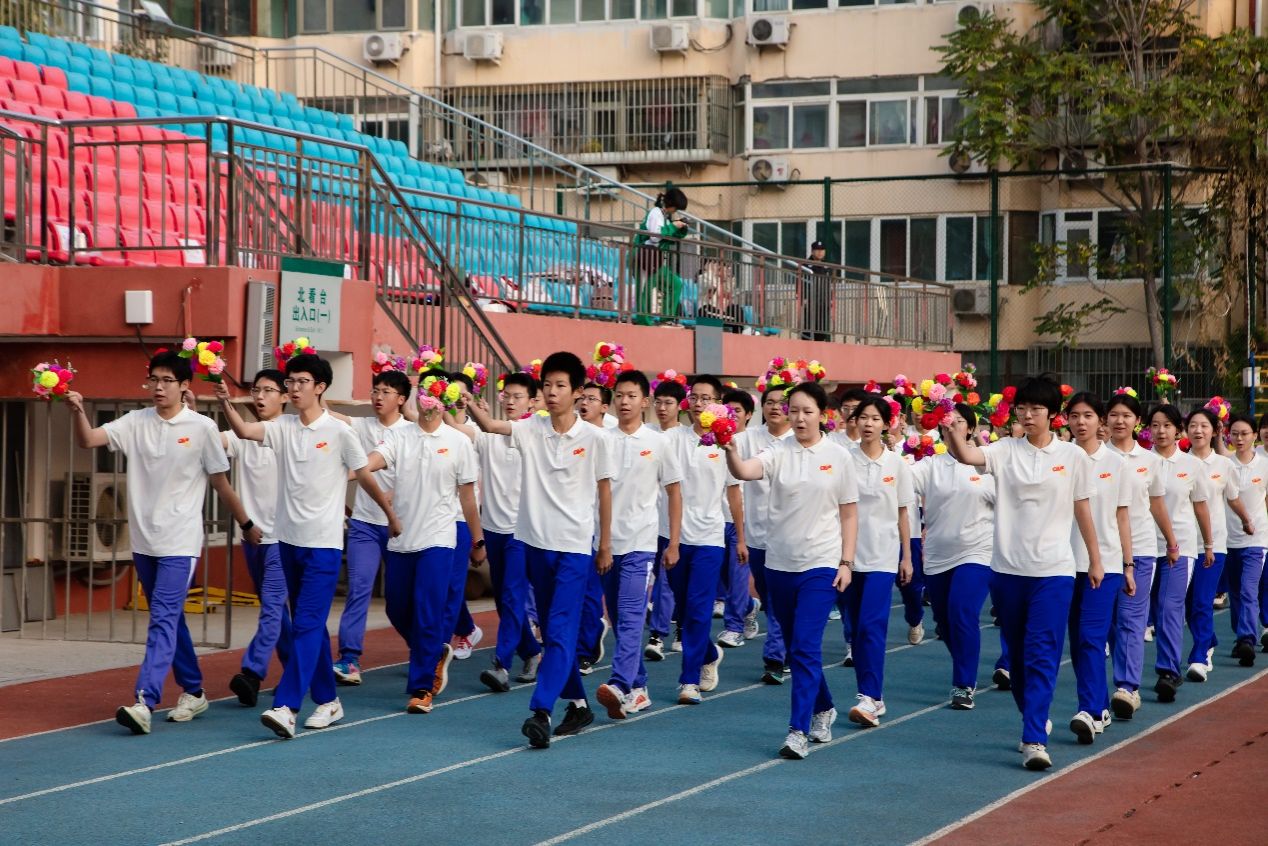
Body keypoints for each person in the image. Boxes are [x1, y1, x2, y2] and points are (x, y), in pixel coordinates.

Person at [69, 351, 260, 735]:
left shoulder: (202, 427)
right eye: (153, 379)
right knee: (170, 618)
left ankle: (145, 700)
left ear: (185, 385)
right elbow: (89, 439)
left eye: (167, 380)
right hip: (144, 542)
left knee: (161, 618)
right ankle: (194, 690)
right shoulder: (135, 421)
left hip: (180, 542)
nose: (158, 387)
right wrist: (76, 409)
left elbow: (220, 483)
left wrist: (246, 523)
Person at [216, 354, 400, 739]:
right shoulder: (282, 426)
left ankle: (287, 706)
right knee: (308, 626)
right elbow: (245, 431)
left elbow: (364, 476)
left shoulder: (339, 432)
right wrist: (225, 403)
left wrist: (390, 515)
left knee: (306, 625)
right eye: (291, 382)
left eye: (302, 382)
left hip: (323, 546)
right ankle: (329, 700)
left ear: (320, 387)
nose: (294, 388)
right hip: (287, 543)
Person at [943, 374, 1100, 771]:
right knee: (1017, 657)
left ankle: (1034, 739)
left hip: (1054, 571)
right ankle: (1033, 715)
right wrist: (953, 431)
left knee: (1042, 653)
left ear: (1053, 414)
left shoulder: (1072, 457)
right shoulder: (1004, 450)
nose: (1028, 415)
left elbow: (1082, 507)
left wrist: (1095, 559)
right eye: (1022, 409)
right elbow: (967, 457)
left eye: (1036, 409)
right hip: (1007, 570)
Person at [463, 351, 614, 748]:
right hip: (534, 545)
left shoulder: (596, 438)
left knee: (560, 632)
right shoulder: (531, 428)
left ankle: (541, 710)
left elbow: (604, 491)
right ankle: (578, 704)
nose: (551, 392)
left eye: (560, 385)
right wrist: (468, 402)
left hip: (574, 549)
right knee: (551, 630)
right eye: (547, 385)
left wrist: (605, 545)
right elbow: (491, 425)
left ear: (577, 392)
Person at [724, 381, 859, 759]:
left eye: (807, 411)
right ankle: (824, 706)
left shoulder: (838, 456)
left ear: (822, 415)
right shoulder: (777, 451)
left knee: (803, 646)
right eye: (793, 410)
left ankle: (797, 731)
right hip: (779, 564)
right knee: (799, 648)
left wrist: (846, 562)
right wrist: (731, 451)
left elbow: (849, 513)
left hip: (821, 564)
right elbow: (746, 471)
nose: (799, 418)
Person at [363, 387, 487, 713]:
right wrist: (353, 469)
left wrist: (477, 540)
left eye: (435, 395)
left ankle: (421, 687)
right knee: (396, 608)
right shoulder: (400, 435)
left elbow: (468, 498)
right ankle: (431, 651)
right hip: (403, 539)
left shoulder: (458, 442)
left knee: (428, 611)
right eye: (424, 394)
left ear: (444, 402)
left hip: (439, 539)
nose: (428, 401)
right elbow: (375, 459)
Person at [594, 371, 683, 719]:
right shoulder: (602, 439)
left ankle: (619, 683)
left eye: (632, 395)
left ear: (644, 401)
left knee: (631, 616)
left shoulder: (659, 443)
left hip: (640, 544)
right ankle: (639, 687)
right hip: (604, 544)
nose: (624, 401)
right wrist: (600, 542)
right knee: (617, 617)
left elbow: (674, 492)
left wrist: (673, 542)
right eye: (619, 395)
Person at [661, 374, 745, 705]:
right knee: (683, 610)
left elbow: (734, 494)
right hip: (673, 537)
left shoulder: (725, 443)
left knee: (698, 610)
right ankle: (708, 653)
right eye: (694, 397)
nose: (699, 404)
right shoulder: (673, 438)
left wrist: (741, 538)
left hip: (709, 537)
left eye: (706, 398)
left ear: (719, 403)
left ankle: (689, 681)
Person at [329, 369, 413, 686]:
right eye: (375, 390)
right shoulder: (363, 425)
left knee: (400, 598)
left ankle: (423, 648)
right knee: (359, 588)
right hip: (365, 524)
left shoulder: (412, 432)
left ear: (401, 399)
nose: (378, 396)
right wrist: (313, 394)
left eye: (386, 391)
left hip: (400, 526)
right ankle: (349, 658)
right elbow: (330, 415)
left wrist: (398, 494)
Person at [912, 403, 994, 711]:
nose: (952, 426)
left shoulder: (986, 464)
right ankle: (965, 660)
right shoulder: (931, 465)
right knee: (945, 623)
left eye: (959, 421)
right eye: (947, 422)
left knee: (962, 611)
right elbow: (898, 479)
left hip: (978, 551)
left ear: (971, 428)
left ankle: (963, 683)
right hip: (938, 555)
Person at [467, 372, 544, 692]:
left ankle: (501, 664)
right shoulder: (487, 437)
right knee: (504, 600)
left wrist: (470, 404)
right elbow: (462, 429)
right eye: (506, 396)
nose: (511, 402)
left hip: (522, 532)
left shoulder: (535, 432)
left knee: (512, 595)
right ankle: (532, 651)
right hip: (494, 530)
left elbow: (487, 423)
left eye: (518, 397)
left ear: (532, 401)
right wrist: (441, 401)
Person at [1064, 393, 1132, 745]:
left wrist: (1128, 565)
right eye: (1074, 415)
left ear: (1100, 420)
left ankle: (1089, 710)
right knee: (1078, 640)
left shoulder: (1116, 464)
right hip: (1062, 564)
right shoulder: (1061, 458)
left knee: (1091, 636)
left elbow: (1122, 517)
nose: (1081, 422)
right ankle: (1100, 705)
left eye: (1088, 415)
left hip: (1104, 565)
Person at [842, 396, 914, 728]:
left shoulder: (896, 464)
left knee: (872, 626)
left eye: (875, 418)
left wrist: (907, 556)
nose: (868, 423)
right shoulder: (845, 460)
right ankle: (872, 695)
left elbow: (903, 513)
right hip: (847, 558)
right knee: (856, 629)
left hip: (882, 557)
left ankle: (869, 697)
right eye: (863, 417)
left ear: (886, 424)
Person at [1104, 392, 1176, 720]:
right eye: (1114, 415)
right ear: (1106, 419)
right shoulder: (1092, 456)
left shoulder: (1150, 461)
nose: (1120, 421)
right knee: (1108, 622)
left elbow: (1157, 504)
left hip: (1142, 550)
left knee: (1131, 619)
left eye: (1126, 416)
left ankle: (1127, 687)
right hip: (1102, 550)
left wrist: (1171, 542)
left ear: (1137, 422)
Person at [224, 369, 292, 707]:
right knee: (275, 611)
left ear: (285, 396)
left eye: (268, 390)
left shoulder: (292, 432)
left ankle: (252, 672)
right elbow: (215, 440)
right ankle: (299, 669)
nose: (260, 396)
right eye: (256, 390)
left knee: (272, 607)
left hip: (283, 538)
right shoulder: (244, 433)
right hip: (251, 538)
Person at [1146, 404, 1215, 704]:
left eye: (1167, 425)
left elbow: (1200, 506)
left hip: (1182, 547)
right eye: (1155, 425)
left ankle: (1168, 671)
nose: (1161, 431)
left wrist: (1208, 544)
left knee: (1169, 607)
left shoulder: (1192, 465)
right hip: (1144, 546)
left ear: (1178, 430)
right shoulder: (1141, 461)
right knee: (1140, 612)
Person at [1183, 408, 1252, 682]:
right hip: (1182, 545)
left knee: (1202, 601)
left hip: (1213, 546)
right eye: (1193, 425)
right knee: (1187, 605)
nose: (1198, 430)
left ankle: (1199, 657)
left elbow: (1233, 498)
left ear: (1214, 431)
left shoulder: (1224, 465)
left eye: (1204, 426)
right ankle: (1208, 639)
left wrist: (1246, 520)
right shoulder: (1178, 462)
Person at [742, 386, 795, 684]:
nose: (775, 407)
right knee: (769, 597)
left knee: (777, 598)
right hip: (757, 535)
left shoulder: (799, 440)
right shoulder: (748, 438)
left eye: (781, 403)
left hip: (789, 537)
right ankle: (786, 644)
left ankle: (775, 656)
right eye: (769, 402)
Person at [646, 378, 688, 660]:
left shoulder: (685, 437)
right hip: (649, 521)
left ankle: (676, 629)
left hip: (677, 523)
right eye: (658, 402)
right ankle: (658, 633)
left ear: (679, 406)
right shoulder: (646, 432)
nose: (662, 408)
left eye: (668, 403)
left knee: (675, 581)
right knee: (662, 579)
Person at [576, 381, 616, 674]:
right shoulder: (571, 434)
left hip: (600, 528)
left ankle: (584, 650)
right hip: (572, 525)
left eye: (592, 399)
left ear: (604, 407)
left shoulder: (609, 439)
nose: (584, 403)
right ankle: (579, 641)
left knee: (591, 593)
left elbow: (609, 490)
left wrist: (605, 540)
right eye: (583, 398)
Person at [717, 388, 760, 650]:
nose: (732, 415)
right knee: (721, 579)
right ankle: (748, 605)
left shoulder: (752, 442)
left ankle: (733, 627)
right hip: (714, 519)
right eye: (728, 410)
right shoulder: (712, 439)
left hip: (741, 520)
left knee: (737, 576)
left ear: (749, 415)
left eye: (737, 411)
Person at [444, 370, 483, 660]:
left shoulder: (476, 431)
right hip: (435, 516)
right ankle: (467, 627)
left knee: (452, 584)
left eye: (461, 394)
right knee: (440, 584)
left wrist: (478, 537)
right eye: (450, 393)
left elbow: (459, 431)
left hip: (461, 517)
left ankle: (439, 648)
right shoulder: (433, 428)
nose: (456, 399)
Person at [1223, 414, 1267, 665]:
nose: (1239, 438)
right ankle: (1240, 637)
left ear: (1254, 435)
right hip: (1227, 540)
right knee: (1236, 592)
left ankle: (1247, 639)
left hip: (1256, 540)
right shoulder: (1224, 464)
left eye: (1244, 434)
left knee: (1249, 589)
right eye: (1235, 434)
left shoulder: (1264, 465)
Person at [633, 188, 689, 324]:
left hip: (655, 259)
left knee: (675, 284)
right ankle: (643, 321)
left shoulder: (664, 217)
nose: (675, 211)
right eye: (676, 208)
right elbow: (655, 236)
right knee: (645, 288)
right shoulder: (655, 213)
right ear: (671, 204)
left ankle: (667, 318)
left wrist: (681, 229)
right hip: (644, 257)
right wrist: (674, 226)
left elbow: (670, 236)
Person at [801, 240, 833, 342]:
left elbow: (829, 284)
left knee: (822, 325)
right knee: (809, 324)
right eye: (817, 250)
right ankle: (805, 345)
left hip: (824, 300)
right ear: (812, 251)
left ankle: (820, 344)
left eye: (822, 250)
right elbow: (801, 282)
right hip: (811, 299)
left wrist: (831, 298)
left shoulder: (827, 266)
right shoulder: (806, 265)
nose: (820, 252)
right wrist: (804, 297)